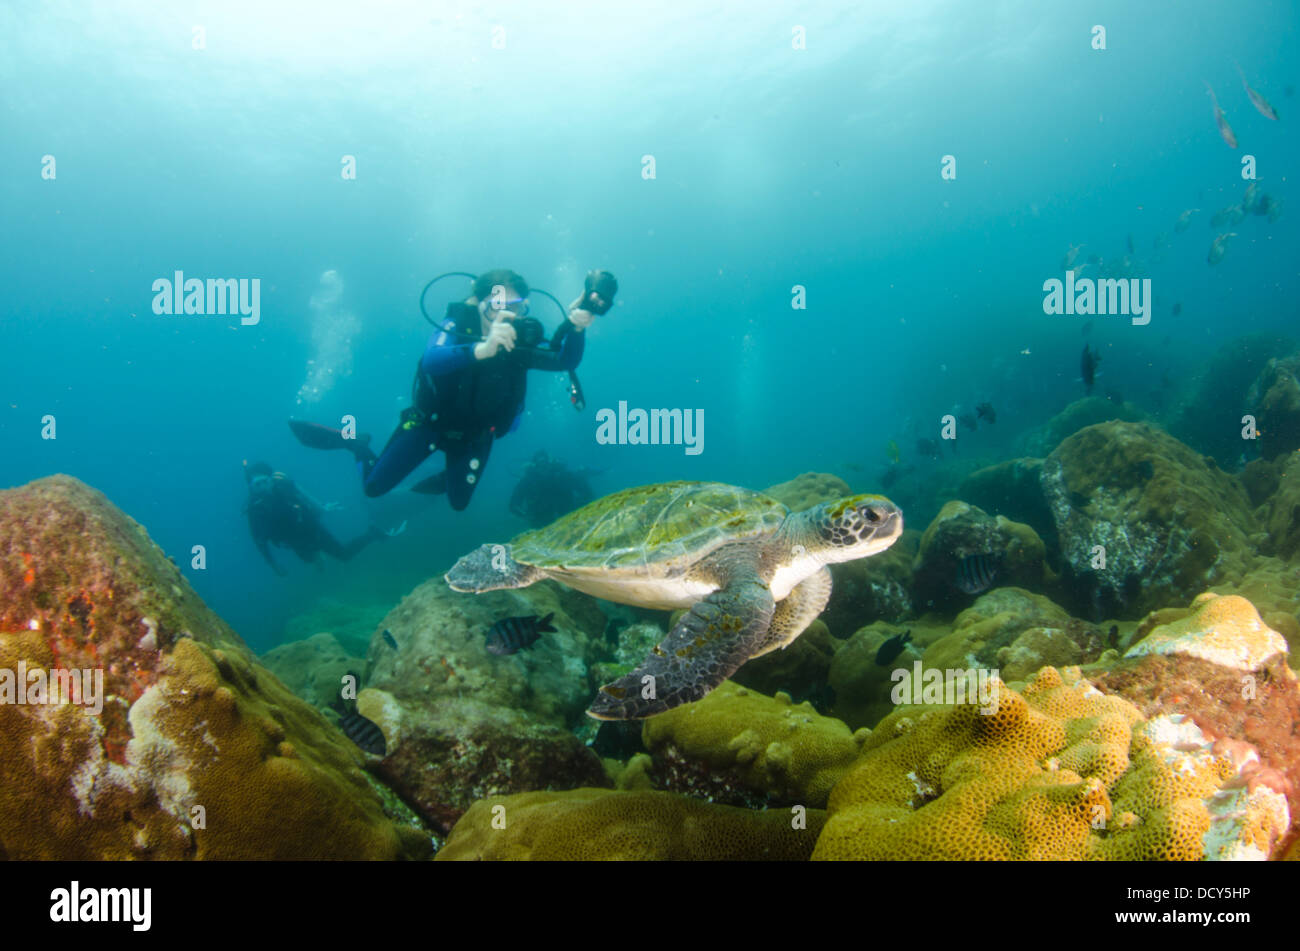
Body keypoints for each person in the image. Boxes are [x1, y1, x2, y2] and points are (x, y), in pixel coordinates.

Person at [290, 268, 614, 511]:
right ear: (476, 302)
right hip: (429, 425)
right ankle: (358, 447)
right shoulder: (455, 325)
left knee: (459, 503)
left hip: (477, 435)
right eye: (495, 305)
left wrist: (576, 327)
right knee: (373, 488)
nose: (505, 315)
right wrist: (481, 350)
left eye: (515, 307)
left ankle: (449, 474)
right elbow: (431, 361)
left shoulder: (518, 341)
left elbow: (564, 360)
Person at [243, 462, 391, 575]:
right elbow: (259, 541)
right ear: (251, 487)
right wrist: (274, 565)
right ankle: (316, 556)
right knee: (310, 561)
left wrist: (322, 507)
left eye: (265, 481)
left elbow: (305, 497)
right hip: (293, 541)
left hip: (312, 530)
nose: (263, 487)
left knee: (344, 555)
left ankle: (373, 533)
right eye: (257, 484)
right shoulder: (254, 510)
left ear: (271, 480)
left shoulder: (284, 488)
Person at [508, 449, 596, 527]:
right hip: (541, 524)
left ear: (550, 463)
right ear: (534, 466)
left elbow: (585, 490)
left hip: (572, 519)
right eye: (540, 464)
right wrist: (527, 517)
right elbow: (514, 505)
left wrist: (581, 504)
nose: (543, 467)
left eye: (545, 463)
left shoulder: (562, 475)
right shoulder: (527, 481)